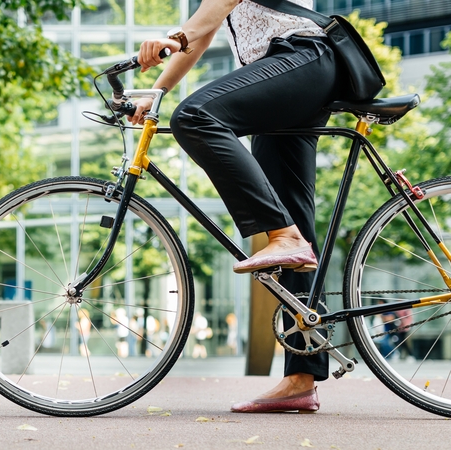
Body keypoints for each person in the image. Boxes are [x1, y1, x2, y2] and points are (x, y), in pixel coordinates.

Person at [131, 0, 343, 413]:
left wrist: (174, 39)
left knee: (194, 116)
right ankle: (300, 378)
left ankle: (284, 236)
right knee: (293, 222)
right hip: (286, 76)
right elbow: (207, 29)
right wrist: (157, 91)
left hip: (303, 58)